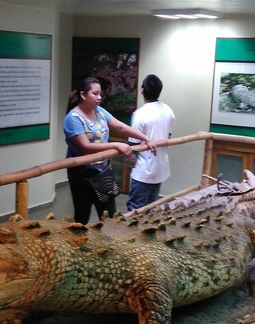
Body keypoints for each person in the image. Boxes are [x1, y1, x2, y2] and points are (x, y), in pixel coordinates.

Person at [64, 76, 157, 224]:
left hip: (102, 171)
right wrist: (116, 145)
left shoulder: (100, 111)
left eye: (100, 94)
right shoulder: (73, 118)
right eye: (95, 94)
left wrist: (146, 138)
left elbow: (120, 127)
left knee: (109, 214)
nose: (99, 97)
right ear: (83, 95)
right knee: (82, 215)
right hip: (82, 174)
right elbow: (86, 146)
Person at [126, 74, 175, 211]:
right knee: (151, 209)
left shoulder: (140, 114)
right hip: (160, 168)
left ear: (142, 90)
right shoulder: (168, 111)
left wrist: (130, 165)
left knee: (135, 209)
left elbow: (133, 145)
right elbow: (168, 136)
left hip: (143, 170)